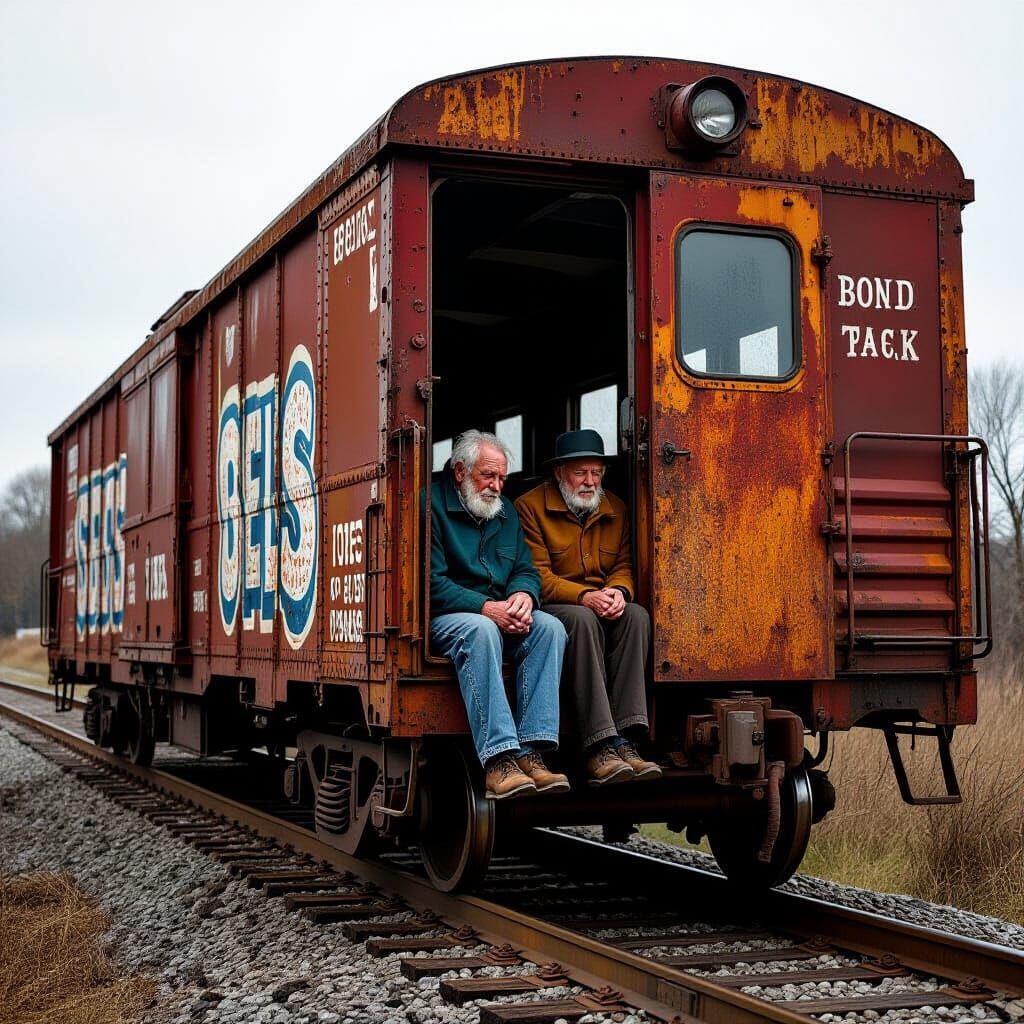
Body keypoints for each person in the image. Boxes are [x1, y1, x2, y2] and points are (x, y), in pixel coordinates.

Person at [515, 429, 661, 786]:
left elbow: (624, 564)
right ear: (560, 473)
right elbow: (537, 576)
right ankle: (599, 745)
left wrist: (618, 591)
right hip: (556, 605)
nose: (590, 481)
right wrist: (585, 596)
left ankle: (626, 739)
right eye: (581, 473)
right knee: (581, 621)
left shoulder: (616, 508)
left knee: (637, 616)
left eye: (596, 473)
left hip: (600, 602)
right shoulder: (529, 508)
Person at [429, 429, 570, 800]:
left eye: (502, 478)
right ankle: (498, 760)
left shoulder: (503, 512)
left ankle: (530, 752)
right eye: (488, 476)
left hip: (498, 612)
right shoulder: (430, 505)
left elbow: (525, 568)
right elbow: (430, 584)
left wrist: (524, 595)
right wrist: (487, 608)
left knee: (549, 628)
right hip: (449, 617)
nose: (496, 486)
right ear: (460, 472)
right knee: (480, 631)